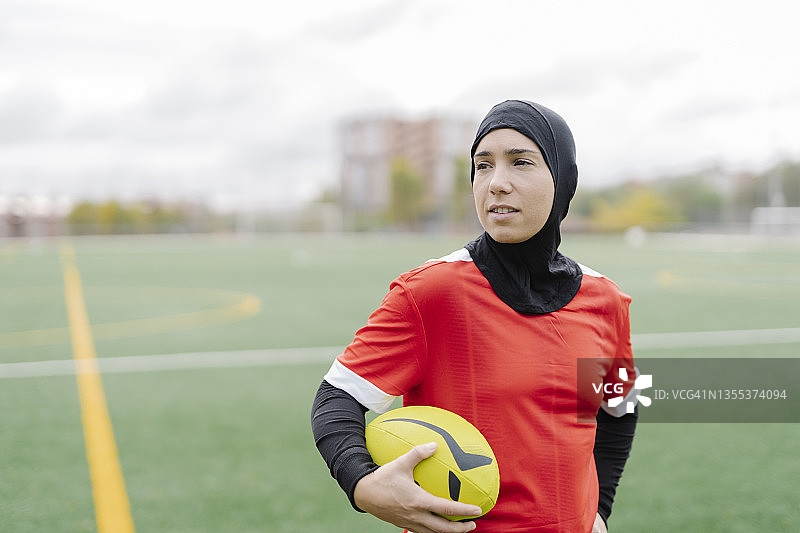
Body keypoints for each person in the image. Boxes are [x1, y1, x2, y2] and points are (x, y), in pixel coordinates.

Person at [311, 100, 639, 533]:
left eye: (520, 162)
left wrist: (601, 510)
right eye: (483, 166)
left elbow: (621, 408)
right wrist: (363, 483)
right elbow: (336, 398)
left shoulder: (606, 299)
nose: (497, 183)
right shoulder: (431, 291)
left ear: (564, 180)